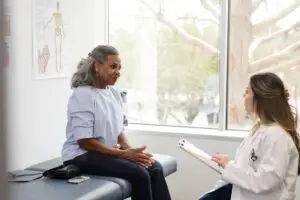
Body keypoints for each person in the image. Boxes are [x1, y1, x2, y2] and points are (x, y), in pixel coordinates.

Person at [61, 45, 172, 200]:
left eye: (119, 68)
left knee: (154, 167)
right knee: (139, 174)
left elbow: (119, 131)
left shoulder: (113, 93)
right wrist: (124, 154)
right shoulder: (83, 95)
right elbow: (85, 142)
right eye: (113, 67)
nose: (118, 72)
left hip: (105, 152)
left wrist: (133, 152)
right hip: (81, 155)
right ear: (97, 66)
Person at [199, 72, 300, 200]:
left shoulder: (278, 136)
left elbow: (265, 181)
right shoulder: (260, 130)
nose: (244, 95)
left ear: (260, 99)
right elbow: (252, 167)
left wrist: (229, 165)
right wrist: (228, 164)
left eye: (247, 92)